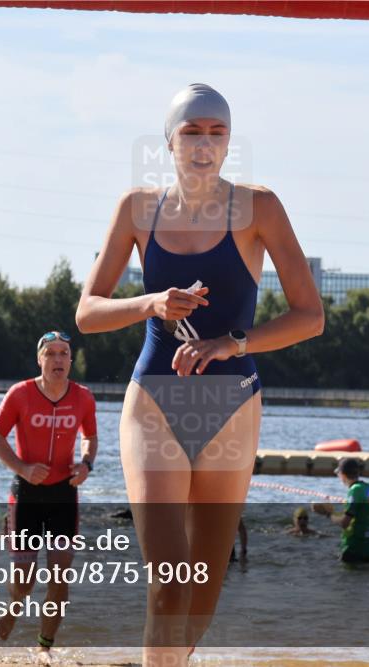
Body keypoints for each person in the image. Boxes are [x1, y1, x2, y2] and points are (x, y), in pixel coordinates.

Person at [74, 83, 324, 665]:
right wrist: (152, 302)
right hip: (154, 402)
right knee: (169, 582)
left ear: (229, 142)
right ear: (169, 141)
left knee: (202, 596)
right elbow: (87, 312)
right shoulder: (137, 209)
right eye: (192, 132)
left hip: (233, 407)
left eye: (217, 133)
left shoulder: (260, 207)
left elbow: (310, 317)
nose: (204, 144)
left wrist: (231, 343)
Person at [0, 330, 98, 658]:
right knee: (24, 581)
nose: (58, 359)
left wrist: (86, 464)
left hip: (64, 495)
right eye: (50, 353)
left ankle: (44, 649)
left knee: (60, 579)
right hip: (26, 496)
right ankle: (16, 602)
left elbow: (90, 436)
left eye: (64, 353)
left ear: (71, 360)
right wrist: (22, 467)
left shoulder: (83, 397)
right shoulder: (20, 393)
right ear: (40, 360)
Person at [323, 458, 369, 564]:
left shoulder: (354, 490)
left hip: (354, 549)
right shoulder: (368, 488)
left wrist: (328, 514)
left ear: (343, 475)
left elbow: (345, 523)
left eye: (338, 475)